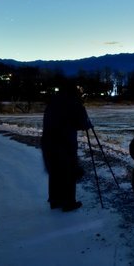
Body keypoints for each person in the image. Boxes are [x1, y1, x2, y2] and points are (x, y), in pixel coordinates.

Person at [41, 82, 92, 212]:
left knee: (55, 171)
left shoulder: (53, 101)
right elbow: (82, 124)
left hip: (48, 141)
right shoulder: (74, 103)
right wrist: (85, 119)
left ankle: (55, 200)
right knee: (69, 172)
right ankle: (69, 203)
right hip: (65, 142)